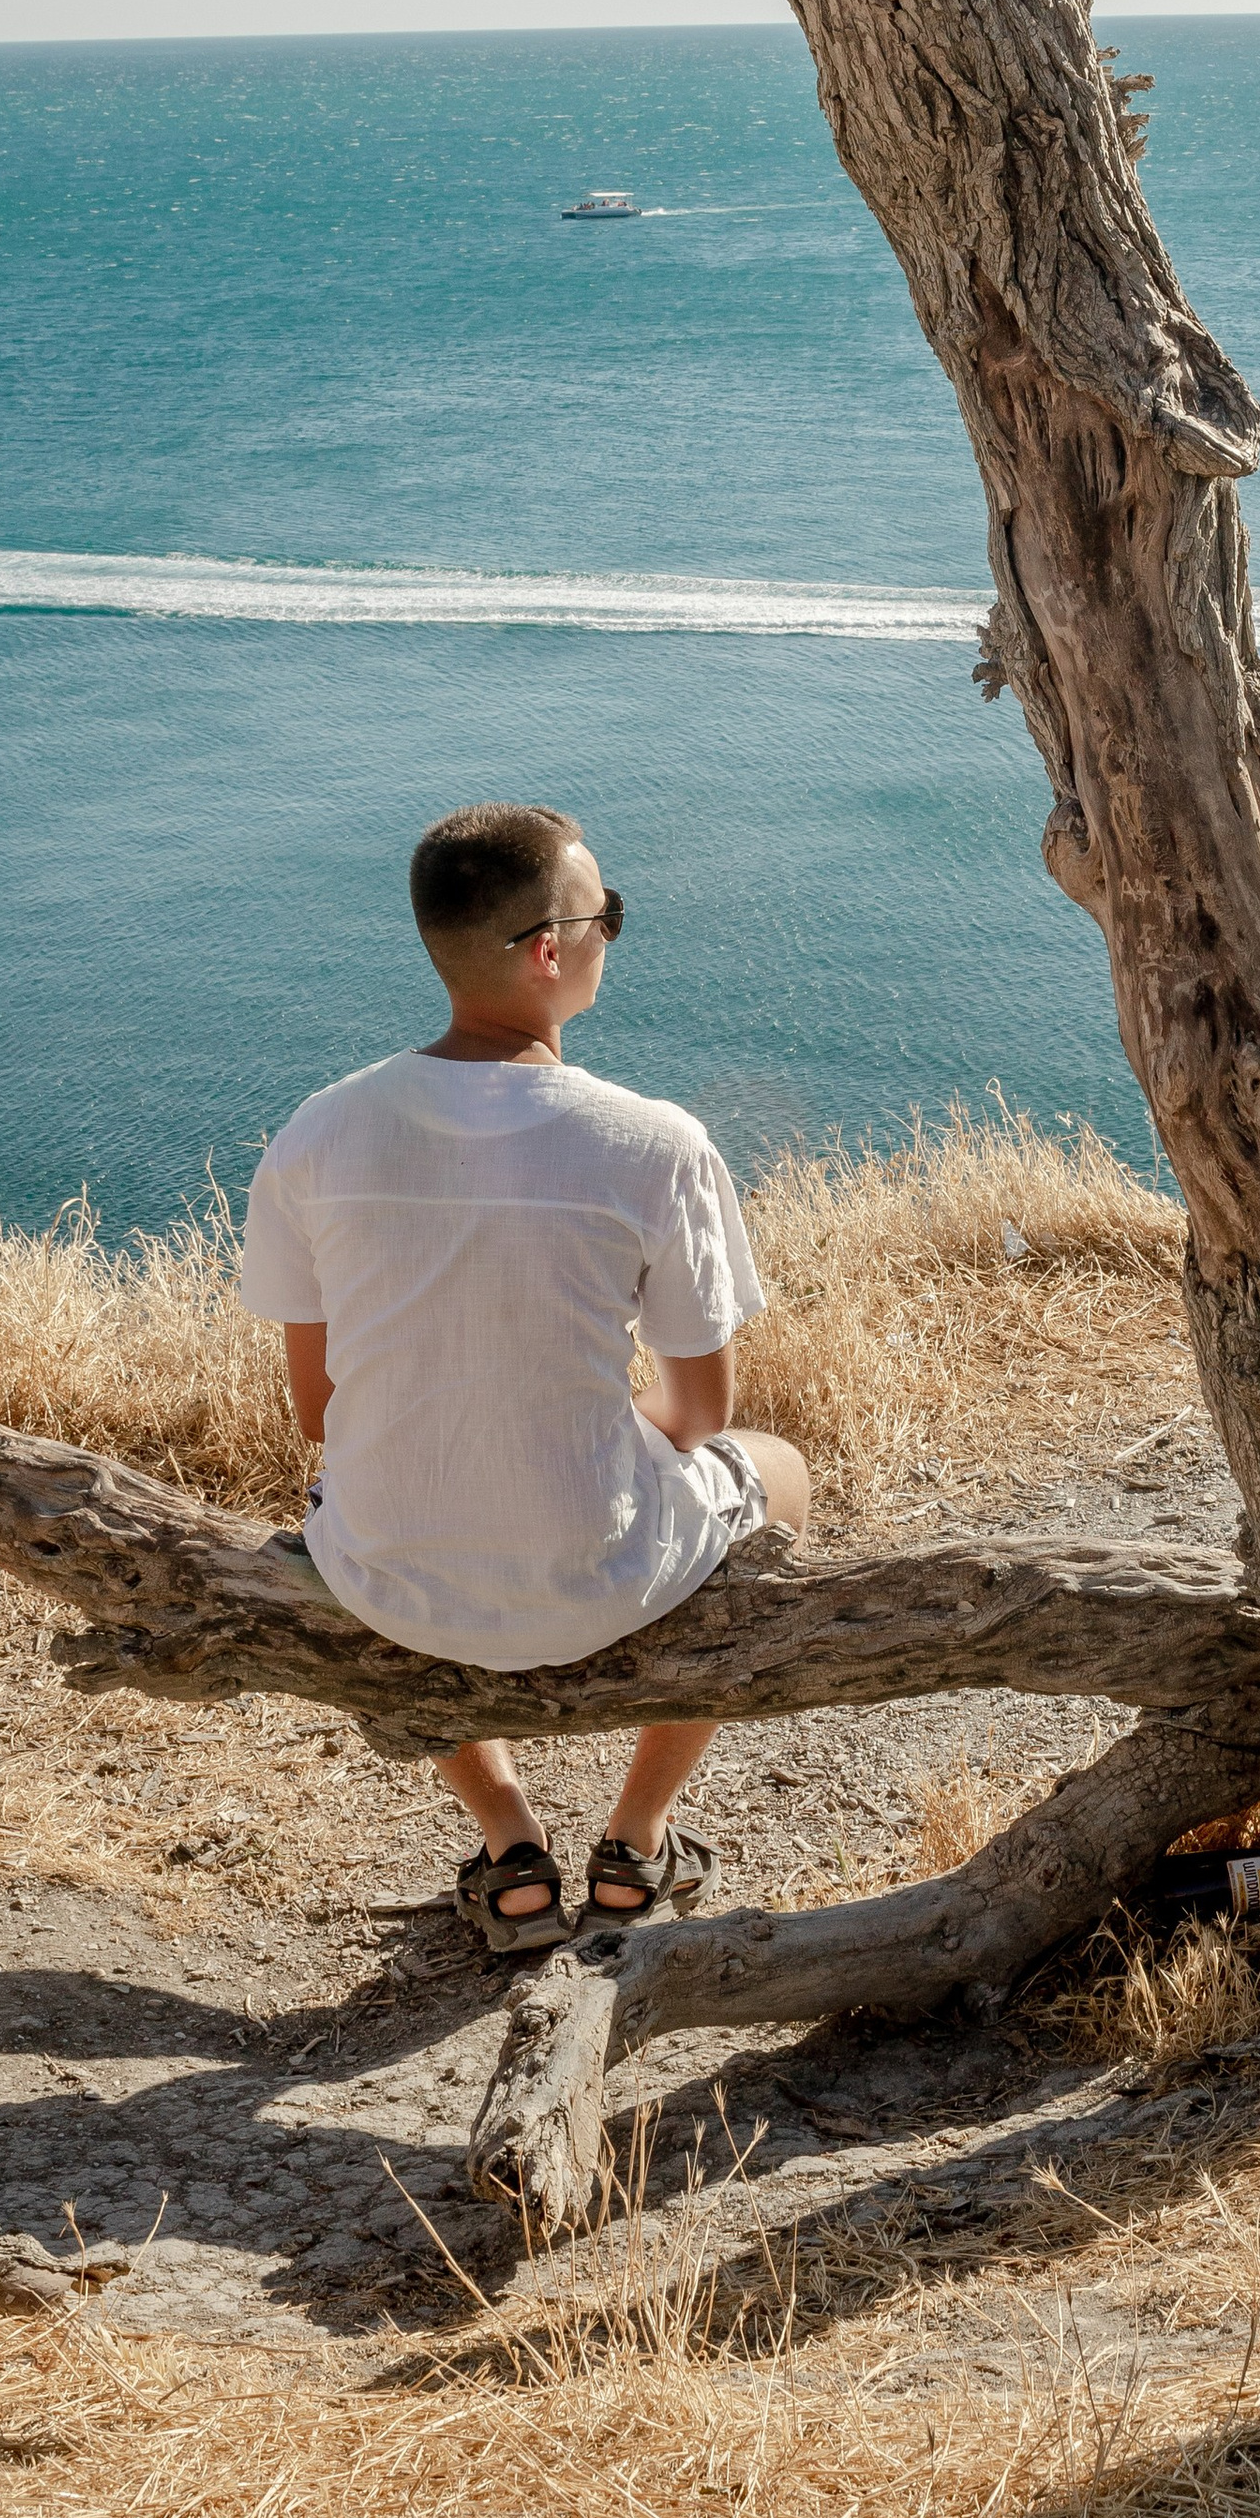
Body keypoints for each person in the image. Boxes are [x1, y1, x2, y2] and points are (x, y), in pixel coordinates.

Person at [237, 801, 809, 1952]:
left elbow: (319, 1416)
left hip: (389, 1580)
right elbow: (701, 1417)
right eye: (608, 915)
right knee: (781, 1474)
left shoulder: (318, 1133)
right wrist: (585, 1432)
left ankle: (508, 1848)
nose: (610, 935)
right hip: (599, 1574)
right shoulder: (655, 1143)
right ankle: (636, 1844)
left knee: (355, 1492)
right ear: (551, 950)